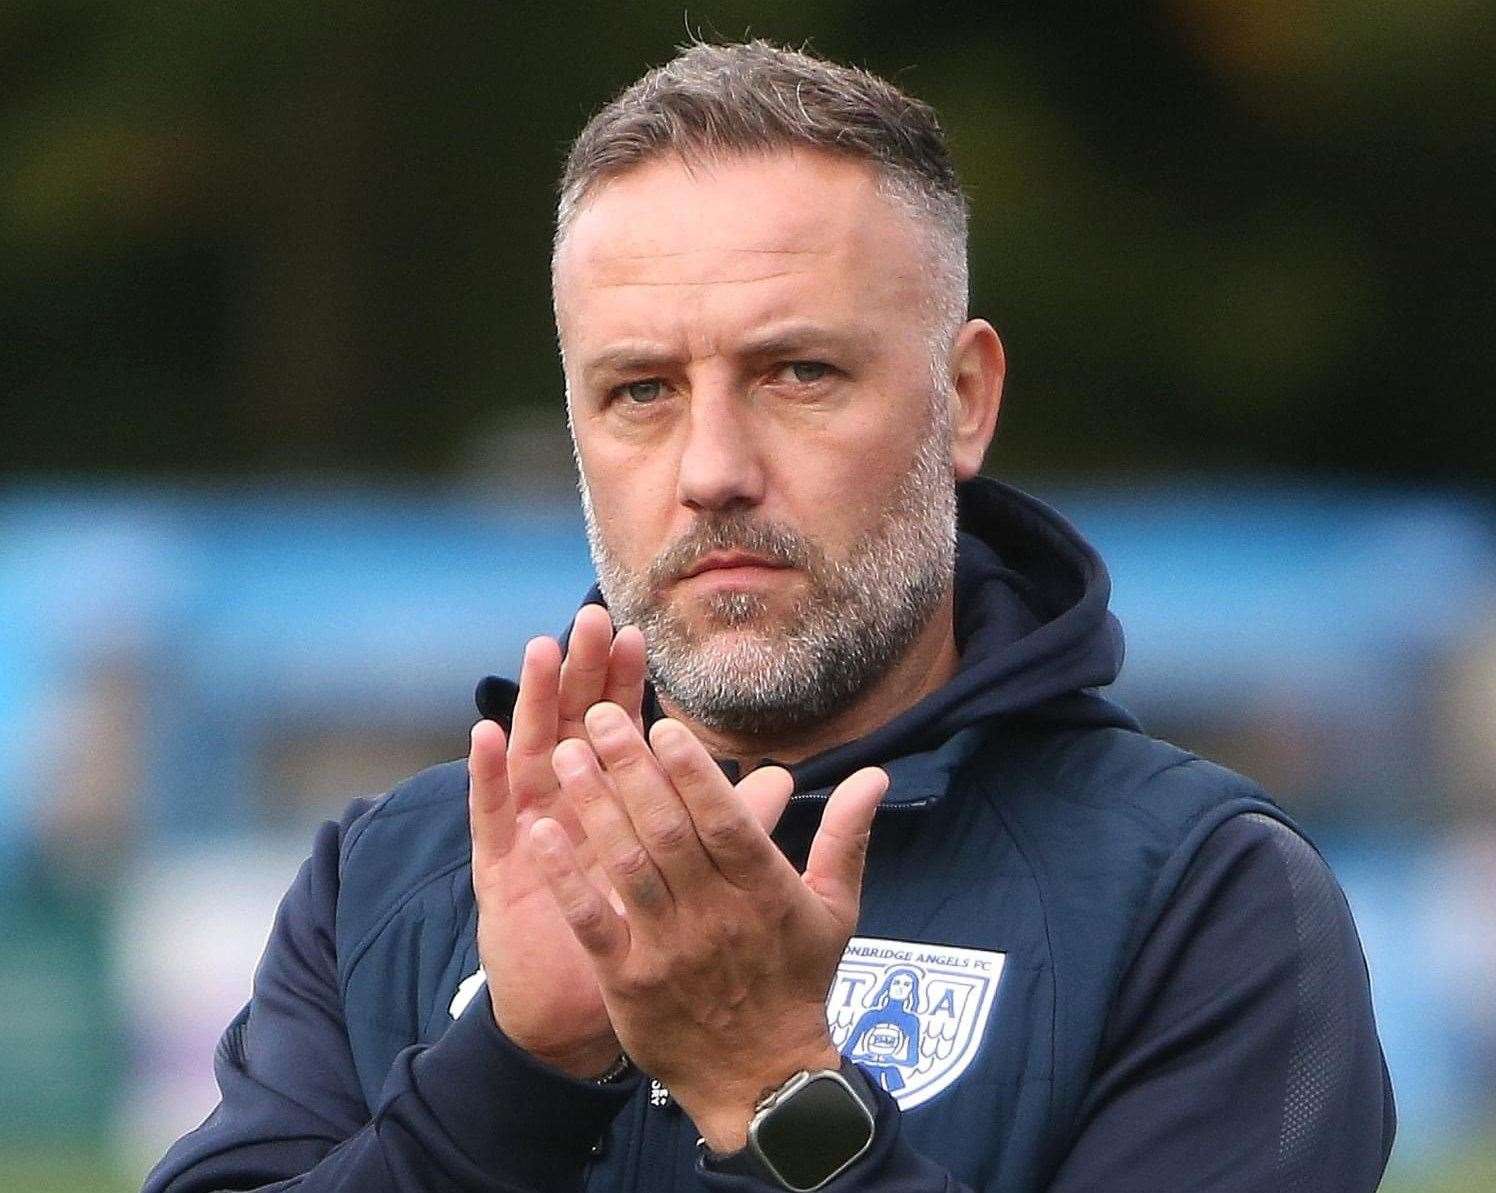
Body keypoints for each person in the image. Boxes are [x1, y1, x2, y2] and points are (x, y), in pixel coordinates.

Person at [144, 40, 1395, 1193]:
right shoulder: (394, 878)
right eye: (639, 389)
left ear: (961, 399)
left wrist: (771, 1088)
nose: (711, 467)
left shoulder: (1200, 900)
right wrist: (510, 1075)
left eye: (797, 372)